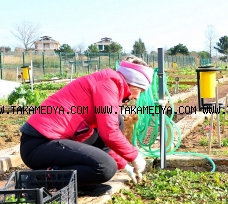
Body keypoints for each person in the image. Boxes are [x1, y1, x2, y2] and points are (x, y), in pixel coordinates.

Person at [19, 57, 152, 196]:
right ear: (134, 84)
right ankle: (39, 179)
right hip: (38, 144)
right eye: (141, 91)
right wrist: (135, 157)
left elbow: (104, 135)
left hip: (53, 141)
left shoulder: (110, 82)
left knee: (117, 120)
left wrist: (125, 165)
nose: (137, 97)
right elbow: (109, 132)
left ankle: (79, 184)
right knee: (105, 167)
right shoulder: (108, 83)